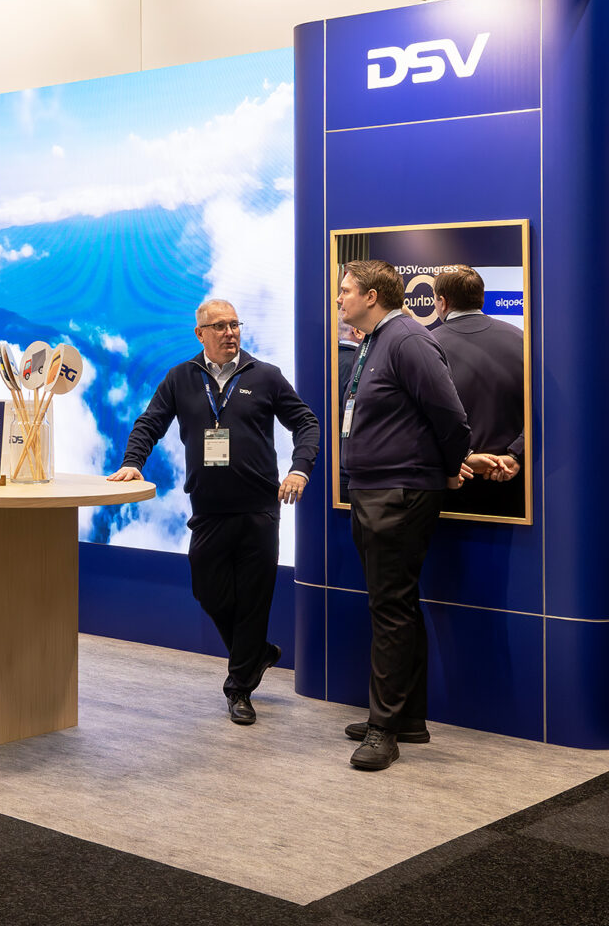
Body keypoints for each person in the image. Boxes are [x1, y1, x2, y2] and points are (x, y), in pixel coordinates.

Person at [108, 299, 320, 726]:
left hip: (260, 508)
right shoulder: (181, 378)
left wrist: (300, 469)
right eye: (219, 326)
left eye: (234, 324)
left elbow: (306, 423)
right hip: (208, 510)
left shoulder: (265, 376)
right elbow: (151, 422)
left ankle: (239, 688)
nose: (230, 333)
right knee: (207, 589)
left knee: (255, 601)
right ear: (199, 333)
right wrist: (134, 460)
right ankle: (256, 653)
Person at [334, 260, 471, 771]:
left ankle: (383, 728)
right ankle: (407, 718)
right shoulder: (376, 340)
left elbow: (451, 417)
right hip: (377, 490)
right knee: (397, 605)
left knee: (390, 609)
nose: (339, 299)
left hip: (399, 492)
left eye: (345, 291)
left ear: (372, 296)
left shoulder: (407, 340)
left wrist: (450, 466)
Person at [430, 266, 527, 492]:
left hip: (452, 482)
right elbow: (541, 411)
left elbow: (422, 417)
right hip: (512, 482)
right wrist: (515, 454)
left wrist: (464, 456)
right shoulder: (522, 339)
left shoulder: (427, 345)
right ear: (481, 298)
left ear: (442, 302)